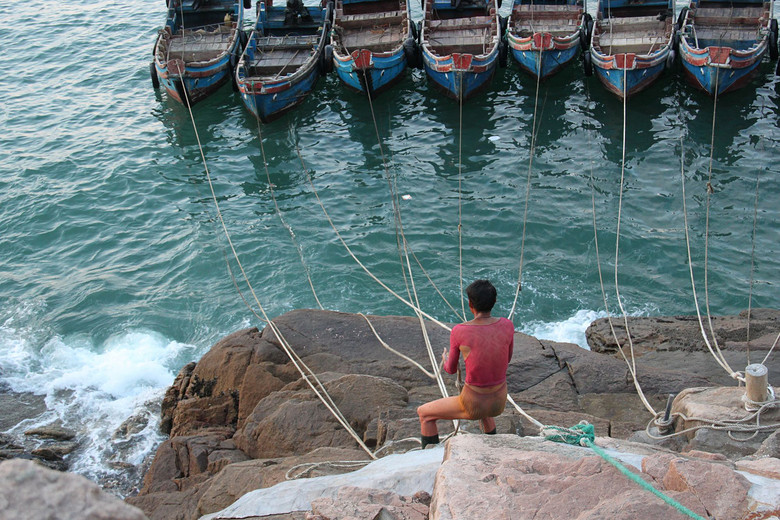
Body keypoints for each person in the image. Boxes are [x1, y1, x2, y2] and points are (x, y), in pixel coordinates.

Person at [417, 279, 514, 448]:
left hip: (473, 403)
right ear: (494, 302)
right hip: (499, 401)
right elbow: (507, 359)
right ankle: (493, 448)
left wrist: (445, 359)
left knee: (424, 414)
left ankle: (429, 456)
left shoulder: (460, 331)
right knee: (485, 413)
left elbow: (451, 370)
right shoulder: (507, 325)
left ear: (470, 303)